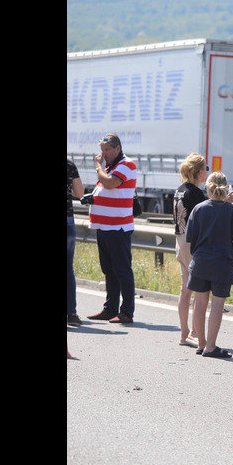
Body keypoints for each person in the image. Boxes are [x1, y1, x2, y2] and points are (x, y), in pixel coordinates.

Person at [185, 171, 233, 358]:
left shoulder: (199, 208)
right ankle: (211, 346)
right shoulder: (231, 210)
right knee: (217, 305)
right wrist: (230, 205)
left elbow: (189, 237)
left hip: (201, 262)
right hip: (222, 264)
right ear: (226, 188)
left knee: (200, 303)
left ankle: (201, 344)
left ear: (208, 187)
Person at [87, 134, 137, 324]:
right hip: (104, 226)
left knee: (122, 269)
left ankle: (126, 312)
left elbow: (109, 183)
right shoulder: (111, 166)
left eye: (108, 150)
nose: (104, 154)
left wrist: (98, 166)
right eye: (102, 150)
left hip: (118, 226)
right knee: (109, 270)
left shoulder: (126, 164)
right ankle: (110, 308)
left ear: (117, 148)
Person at [173, 154, 209, 347]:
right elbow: (202, 220)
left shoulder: (179, 190)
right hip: (192, 242)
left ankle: (183, 332)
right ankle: (194, 332)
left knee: (184, 289)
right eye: (206, 169)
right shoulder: (195, 193)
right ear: (200, 172)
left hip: (179, 240)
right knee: (199, 289)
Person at [67, 158, 85, 326]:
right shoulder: (69, 164)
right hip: (68, 220)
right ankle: (71, 313)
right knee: (68, 269)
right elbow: (80, 193)